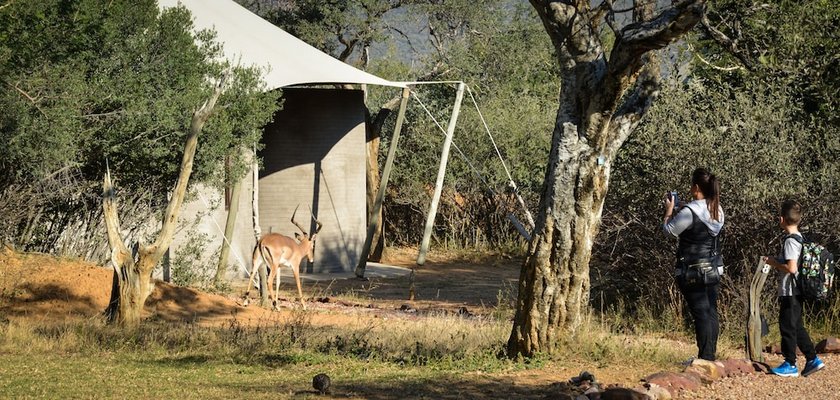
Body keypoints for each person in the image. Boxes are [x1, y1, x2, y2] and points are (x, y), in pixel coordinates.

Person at [662, 167, 725, 361]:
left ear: (696, 187)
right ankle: (709, 355)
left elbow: (669, 231)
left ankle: (705, 359)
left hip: (693, 271)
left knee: (701, 314)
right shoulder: (717, 209)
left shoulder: (690, 211)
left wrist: (669, 211)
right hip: (713, 268)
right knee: (711, 311)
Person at [764, 200, 825, 377]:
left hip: (790, 291)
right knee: (797, 327)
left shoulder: (790, 241)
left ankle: (790, 364)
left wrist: (773, 262)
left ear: (782, 219)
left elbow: (792, 268)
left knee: (787, 327)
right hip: (798, 291)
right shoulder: (800, 238)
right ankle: (813, 359)